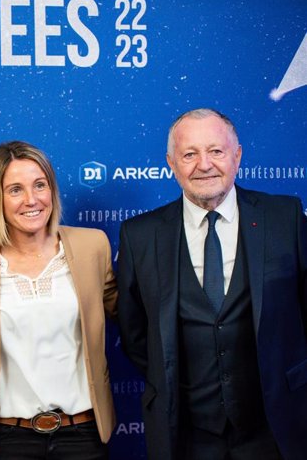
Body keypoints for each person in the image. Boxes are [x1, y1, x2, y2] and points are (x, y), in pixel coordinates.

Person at [117, 108, 307, 459]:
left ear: (237, 156)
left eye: (216, 151)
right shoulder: (140, 235)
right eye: (189, 154)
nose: (204, 164)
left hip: (275, 428)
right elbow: (135, 333)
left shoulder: (286, 217)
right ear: (171, 164)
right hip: (186, 435)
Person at [0, 141, 118, 460]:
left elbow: (134, 320)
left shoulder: (92, 247)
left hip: (83, 435)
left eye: (39, 185)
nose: (32, 200)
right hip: (7, 439)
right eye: (15, 189)